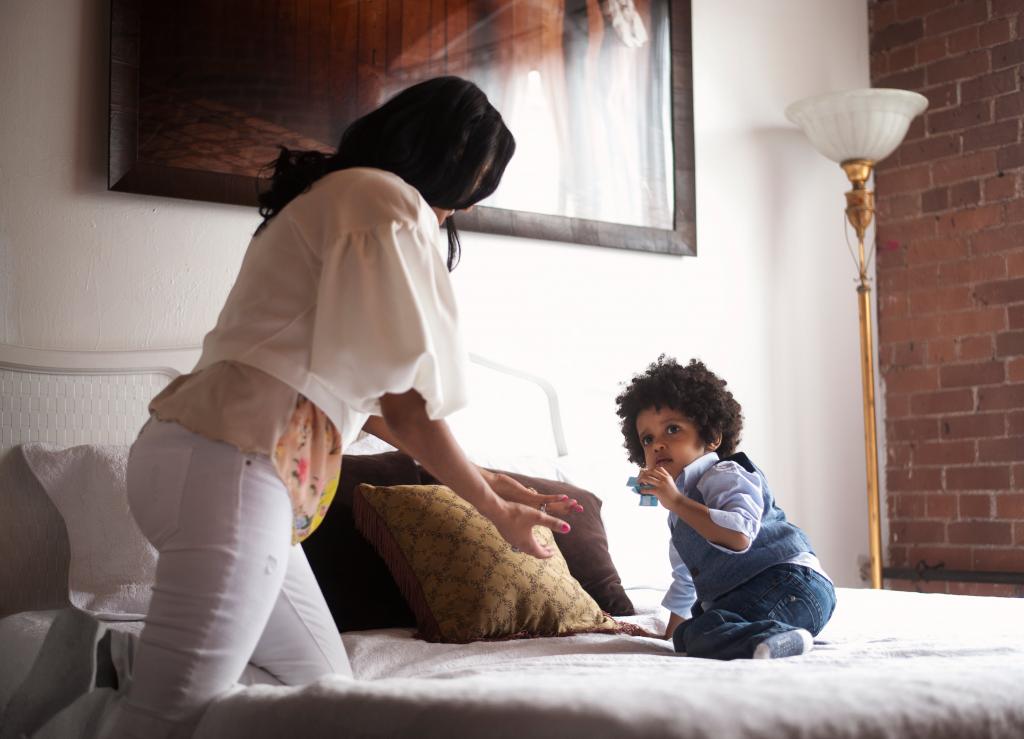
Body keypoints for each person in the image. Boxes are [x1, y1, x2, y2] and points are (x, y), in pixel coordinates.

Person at [2, 76, 581, 739]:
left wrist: (482, 474)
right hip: (231, 468)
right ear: (443, 163)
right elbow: (410, 403)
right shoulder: (382, 201)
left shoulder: (340, 198)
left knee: (317, 692)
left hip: (221, 464)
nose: (462, 210)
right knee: (169, 717)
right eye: (469, 189)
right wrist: (494, 508)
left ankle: (112, 662)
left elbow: (371, 401)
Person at [614, 356, 835, 660]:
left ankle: (775, 636)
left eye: (672, 429)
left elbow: (739, 534)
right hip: (761, 596)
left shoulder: (724, 474)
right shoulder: (679, 513)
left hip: (790, 583)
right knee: (689, 634)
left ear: (712, 436)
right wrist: (671, 637)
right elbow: (686, 579)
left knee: (703, 631)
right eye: (647, 439)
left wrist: (677, 502)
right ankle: (775, 640)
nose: (657, 445)